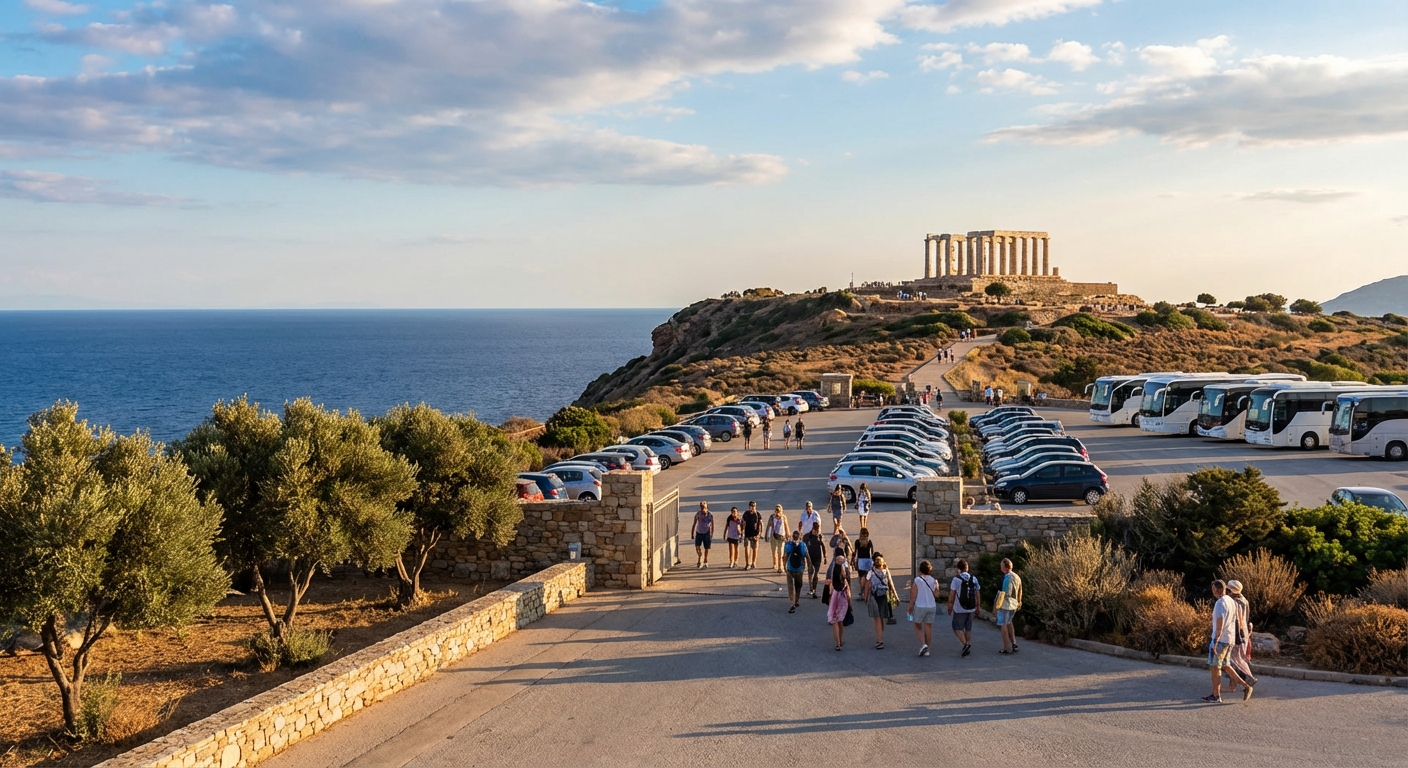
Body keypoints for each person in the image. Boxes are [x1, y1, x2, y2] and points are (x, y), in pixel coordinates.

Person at [1204, 579, 1249, 703]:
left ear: (1216, 589)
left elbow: (1220, 621)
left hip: (1221, 639)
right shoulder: (1231, 601)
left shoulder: (1220, 603)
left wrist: (1216, 640)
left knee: (1215, 667)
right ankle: (1245, 686)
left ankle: (1216, 695)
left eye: (1213, 589)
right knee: (1225, 665)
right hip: (1229, 638)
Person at [1223, 580, 1259, 699]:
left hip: (1235, 634)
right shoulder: (1244, 600)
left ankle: (1245, 680)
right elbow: (1247, 617)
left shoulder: (1233, 602)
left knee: (1232, 659)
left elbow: (1231, 619)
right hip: (1244, 633)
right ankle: (1235, 684)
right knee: (1238, 658)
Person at [947, 558, 979, 657]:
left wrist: (950, 607)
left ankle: (965, 645)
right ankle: (968, 644)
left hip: (959, 608)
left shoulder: (956, 579)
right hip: (971, 607)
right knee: (968, 628)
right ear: (967, 568)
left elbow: (952, 595)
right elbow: (977, 593)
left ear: (959, 569)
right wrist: (978, 606)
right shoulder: (973, 579)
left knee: (956, 627)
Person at [863, 554, 896, 648]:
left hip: (875, 596)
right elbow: (890, 583)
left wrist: (865, 597)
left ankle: (879, 640)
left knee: (876, 618)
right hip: (884, 596)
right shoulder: (885, 572)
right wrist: (895, 595)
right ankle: (881, 634)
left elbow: (868, 585)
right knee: (881, 616)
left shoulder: (871, 572)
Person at [909, 560, 940, 656]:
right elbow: (937, 595)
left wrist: (910, 606)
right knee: (928, 627)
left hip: (920, 606)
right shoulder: (933, 580)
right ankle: (927, 648)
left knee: (917, 625)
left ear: (920, 570)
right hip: (931, 606)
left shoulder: (917, 580)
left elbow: (913, 596)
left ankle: (923, 645)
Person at [826, 547, 852, 650]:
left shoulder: (833, 568)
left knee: (834, 620)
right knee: (840, 620)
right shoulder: (845, 567)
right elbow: (848, 580)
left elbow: (829, 581)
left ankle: (837, 643)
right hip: (843, 595)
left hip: (835, 595)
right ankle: (841, 640)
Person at [995, 558, 1022, 654]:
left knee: (1003, 623)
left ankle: (1007, 647)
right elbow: (1020, 591)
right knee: (1009, 622)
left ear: (1005, 567)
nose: (1000, 567)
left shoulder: (1008, 577)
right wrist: (1019, 602)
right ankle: (1014, 643)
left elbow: (1005, 592)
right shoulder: (1017, 576)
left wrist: (997, 604)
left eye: (1001, 565)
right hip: (1014, 603)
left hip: (1006, 603)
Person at [782, 531, 808, 613]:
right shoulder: (803, 545)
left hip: (790, 568)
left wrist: (784, 566)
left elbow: (785, 556)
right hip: (799, 569)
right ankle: (797, 600)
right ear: (800, 537)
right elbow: (806, 555)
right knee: (798, 586)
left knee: (790, 587)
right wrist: (807, 566)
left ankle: (792, 603)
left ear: (792, 537)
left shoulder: (788, 545)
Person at [803, 522, 826, 599]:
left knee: (816, 574)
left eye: (817, 531)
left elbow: (823, 546)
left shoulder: (819, 536)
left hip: (818, 557)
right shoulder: (807, 536)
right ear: (812, 529)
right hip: (809, 557)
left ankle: (814, 590)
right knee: (810, 572)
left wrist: (825, 556)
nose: (816, 532)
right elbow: (803, 546)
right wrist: (803, 557)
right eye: (815, 530)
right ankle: (811, 588)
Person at [692, 502, 714, 569]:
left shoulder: (710, 515)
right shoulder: (698, 514)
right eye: (701, 507)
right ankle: (700, 555)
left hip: (706, 533)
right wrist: (692, 533)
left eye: (703, 507)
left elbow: (712, 525)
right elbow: (694, 523)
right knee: (697, 546)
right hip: (699, 532)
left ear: (706, 507)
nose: (702, 508)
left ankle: (705, 560)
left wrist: (711, 533)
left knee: (706, 548)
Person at [767, 505, 789, 572]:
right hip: (773, 536)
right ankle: (775, 563)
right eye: (776, 510)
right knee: (774, 551)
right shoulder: (772, 517)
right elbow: (768, 525)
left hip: (781, 536)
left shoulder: (784, 517)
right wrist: (766, 534)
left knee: (780, 552)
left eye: (778, 510)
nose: (777, 512)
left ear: (781, 510)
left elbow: (786, 526)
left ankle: (780, 567)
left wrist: (788, 534)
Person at [741, 501, 762, 570]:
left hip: (755, 534)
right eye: (751, 507)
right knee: (747, 549)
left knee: (755, 549)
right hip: (747, 534)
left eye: (753, 507)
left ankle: (754, 562)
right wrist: (742, 532)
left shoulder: (758, 515)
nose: (752, 508)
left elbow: (760, 525)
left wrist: (759, 534)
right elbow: (742, 522)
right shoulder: (746, 514)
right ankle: (747, 563)